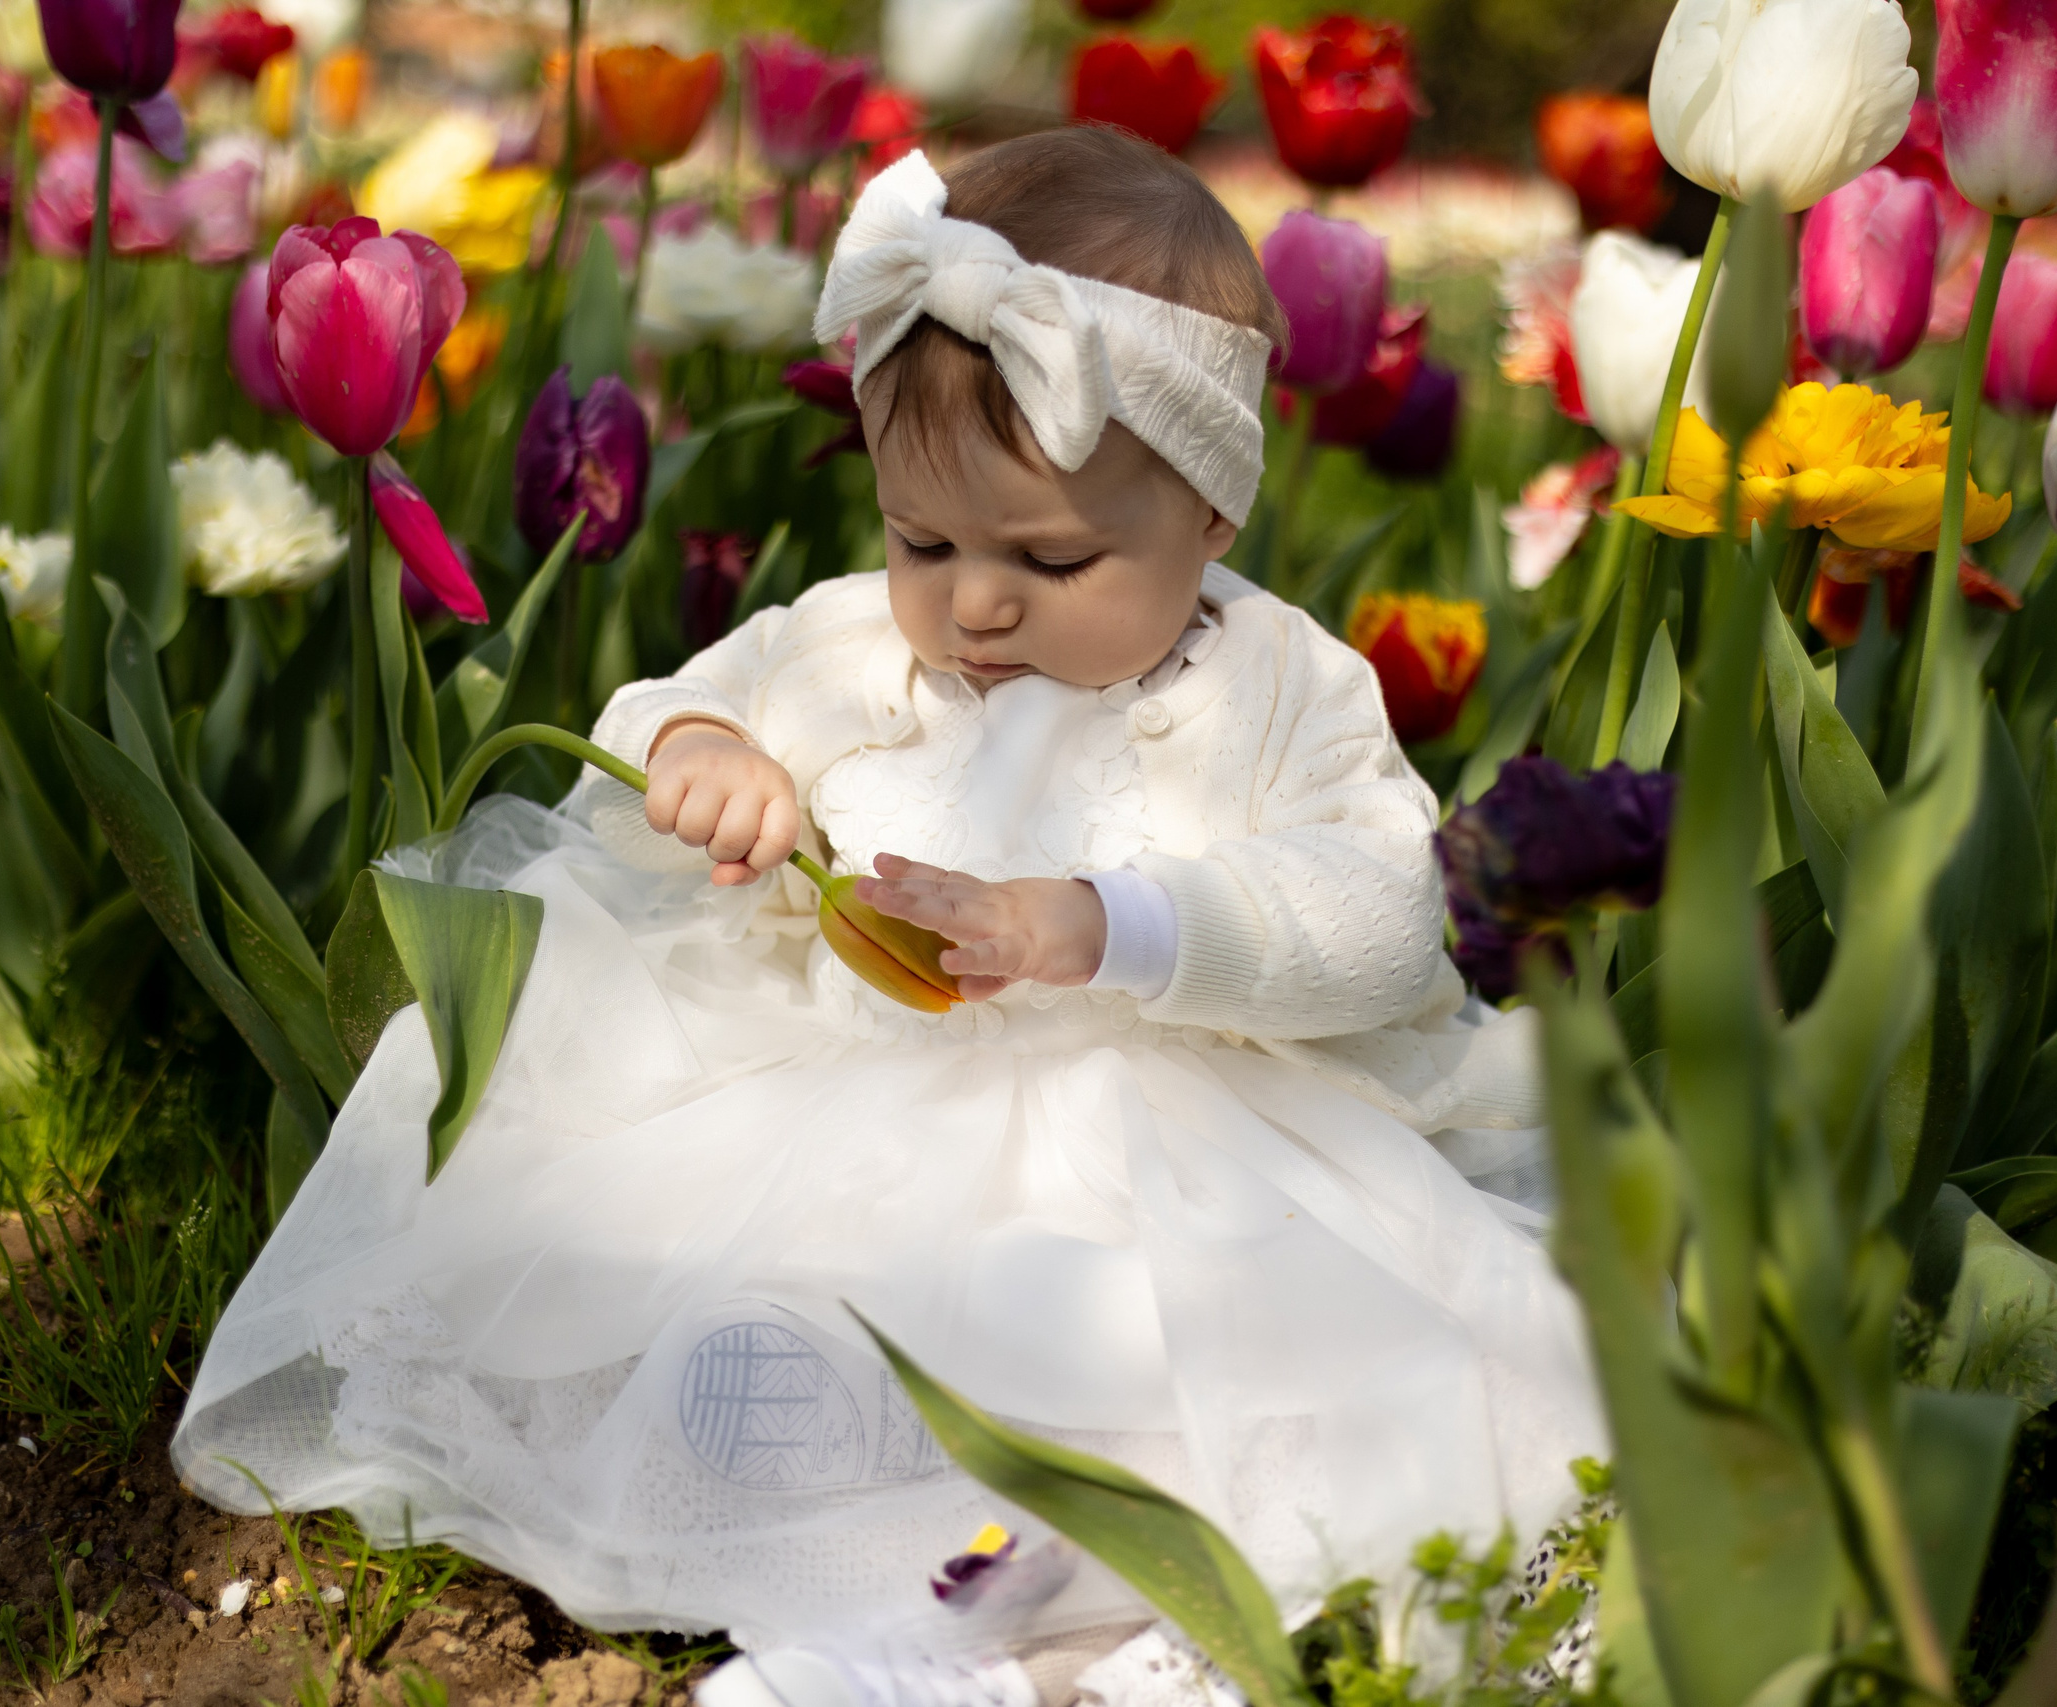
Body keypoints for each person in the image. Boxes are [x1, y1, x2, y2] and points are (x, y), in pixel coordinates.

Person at [173, 126, 1603, 1707]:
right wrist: (711, 764)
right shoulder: (849, 643)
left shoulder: (1278, 686)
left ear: (1212, 515)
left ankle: (1043, 1635)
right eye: (926, 539)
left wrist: (1107, 926)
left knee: (1195, 1364)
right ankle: (860, 1548)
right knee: (789, 1304)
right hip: (847, 1103)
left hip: (1178, 1137)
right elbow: (670, 710)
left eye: (1050, 556)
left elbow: (1378, 911)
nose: (975, 601)